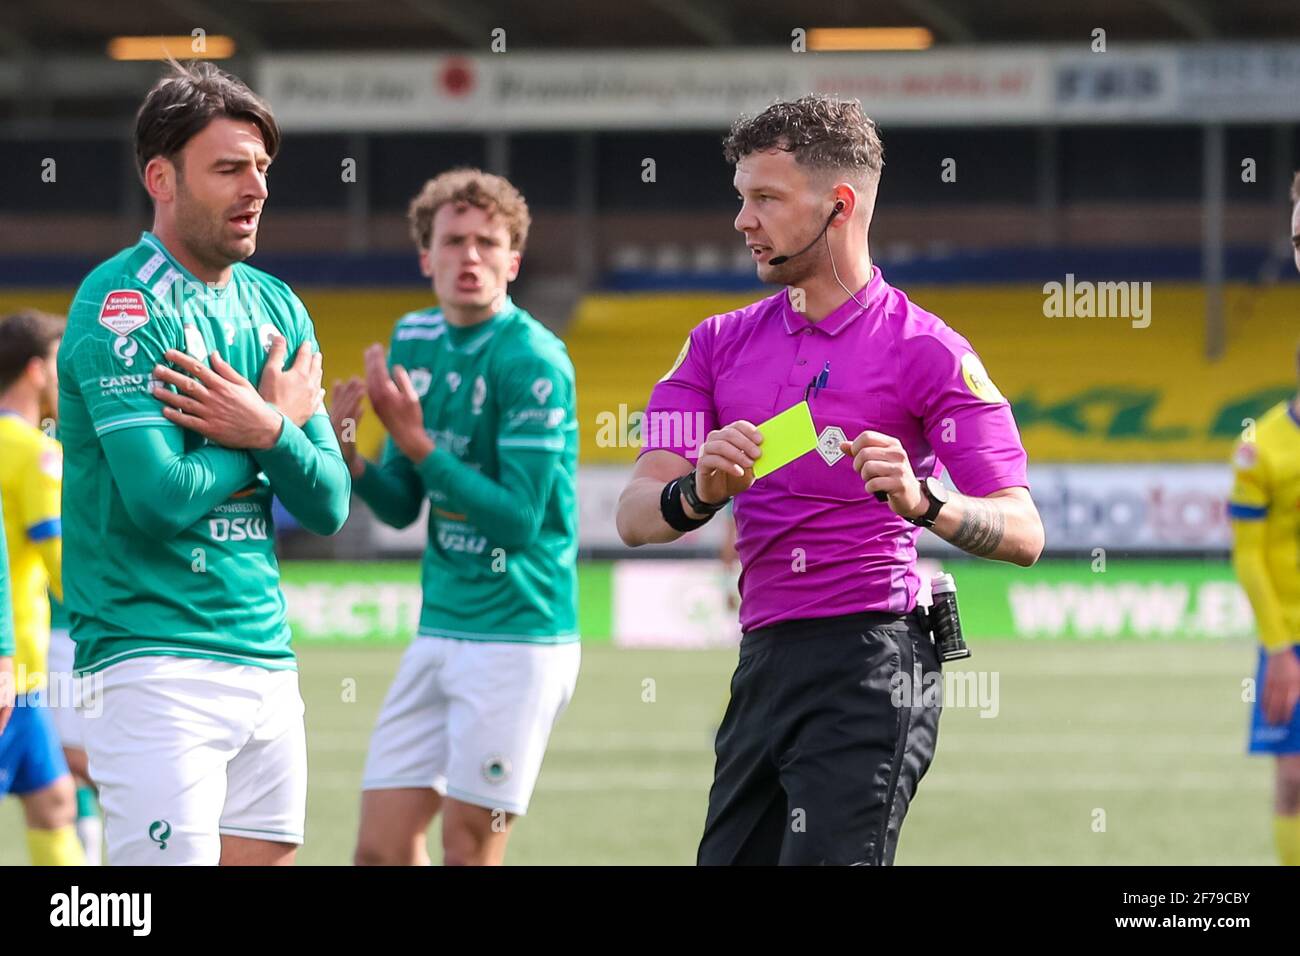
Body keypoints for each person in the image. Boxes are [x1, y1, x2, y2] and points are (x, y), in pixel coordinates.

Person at [616, 95, 1044, 865]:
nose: (743, 220)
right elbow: (636, 514)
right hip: (763, 662)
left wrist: (925, 502)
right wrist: (699, 493)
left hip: (873, 664)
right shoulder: (713, 347)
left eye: (765, 199)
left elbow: (1024, 531)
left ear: (838, 206)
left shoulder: (929, 351)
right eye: (741, 198)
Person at [58, 60, 350, 865]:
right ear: (161, 176)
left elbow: (328, 502)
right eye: (229, 168)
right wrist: (265, 434)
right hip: (150, 661)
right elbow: (158, 500)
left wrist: (266, 431)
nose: (255, 187)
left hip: (265, 656)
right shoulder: (121, 303)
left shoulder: (277, 304)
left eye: (261, 168)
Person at [331, 169, 579, 866]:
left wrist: (416, 444)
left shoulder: (533, 359)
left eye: (487, 243)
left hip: (517, 638)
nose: (469, 256)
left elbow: (519, 522)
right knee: (378, 850)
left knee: (466, 850)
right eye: (453, 242)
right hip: (438, 629)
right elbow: (403, 502)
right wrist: (352, 457)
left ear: (512, 261)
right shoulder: (412, 337)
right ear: (426, 258)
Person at [1228, 171, 1300, 866]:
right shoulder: (1261, 448)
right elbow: (1247, 553)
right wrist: (1280, 649)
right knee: (1294, 781)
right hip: (1293, 643)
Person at [0, 310, 85, 865]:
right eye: (57, 364)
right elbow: (62, 567)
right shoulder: (35, 451)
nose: (63, 378)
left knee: (55, 800)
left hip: (21, 670)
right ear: (35, 371)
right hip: (11, 664)